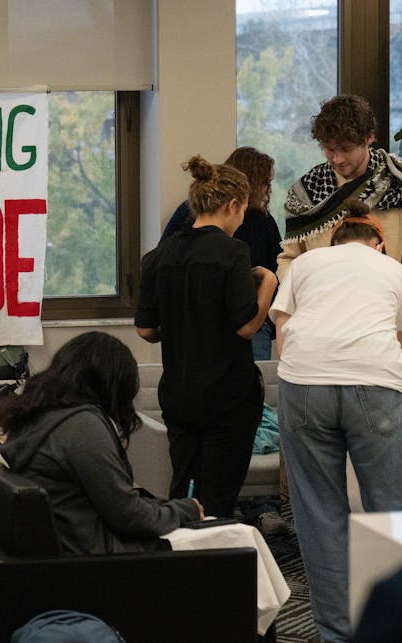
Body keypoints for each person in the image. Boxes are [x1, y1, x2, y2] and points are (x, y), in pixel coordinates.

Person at [270, 199, 402, 643]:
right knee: (388, 513)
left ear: (335, 239)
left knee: (319, 514)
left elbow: (281, 338)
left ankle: (336, 634)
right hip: (375, 384)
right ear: (378, 242)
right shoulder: (395, 271)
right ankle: (392, 631)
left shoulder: (306, 263)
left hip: (304, 383)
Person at [278, 94, 402, 413]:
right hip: (317, 349)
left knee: (388, 457)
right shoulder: (305, 193)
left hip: (392, 345)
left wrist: (366, 287)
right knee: (322, 458)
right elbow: (288, 261)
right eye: (329, 148)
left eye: (346, 148)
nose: (337, 158)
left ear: (369, 138)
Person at [135, 156, 277, 518]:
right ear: (232, 206)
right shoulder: (232, 252)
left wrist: (186, 323)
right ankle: (215, 557)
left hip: (179, 394)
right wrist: (268, 288)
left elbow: (146, 330)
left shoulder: (159, 256)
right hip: (227, 396)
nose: (243, 218)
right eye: (244, 210)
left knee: (184, 485)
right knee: (218, 494)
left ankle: (181, 555)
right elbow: (246, 326)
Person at [0, 332, 204, 555]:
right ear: (112, 385)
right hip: (95, 556)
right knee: (233, 540)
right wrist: (186, 509)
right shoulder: (81, 426)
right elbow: (129, 515)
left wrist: (169, 509)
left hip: (68, 545)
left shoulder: (39, 413)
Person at [160, 146, 282, 361]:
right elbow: (166, 260)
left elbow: (278, 265)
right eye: (265, 182)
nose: (268, 190)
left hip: (249, 316)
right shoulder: (190, 214)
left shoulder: (264, 221)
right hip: (202, 318)